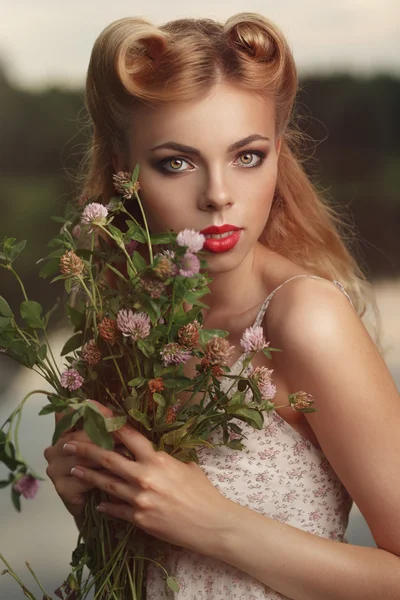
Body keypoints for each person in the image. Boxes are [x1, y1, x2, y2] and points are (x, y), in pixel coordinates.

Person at [44, 12, 400, 599]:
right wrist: (87, 497)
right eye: (175, 162)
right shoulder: (117, 334)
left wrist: (217, 525)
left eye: (247, 155)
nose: (217, 195)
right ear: (122, 170)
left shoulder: (304, 320)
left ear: (279, 156)